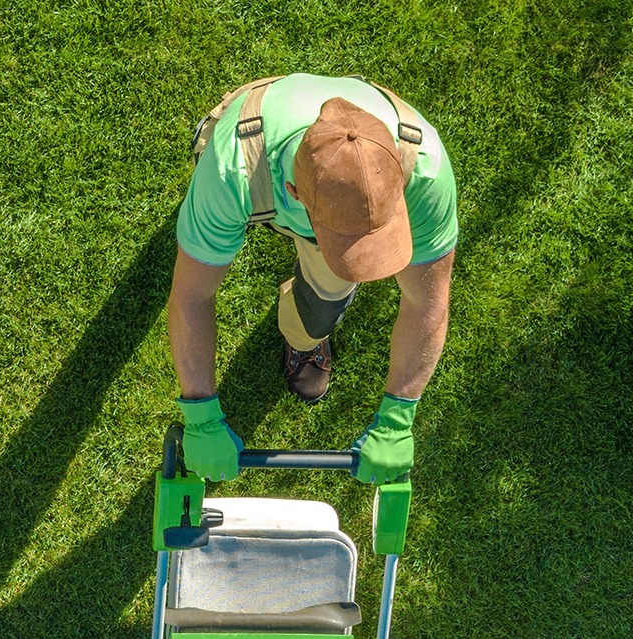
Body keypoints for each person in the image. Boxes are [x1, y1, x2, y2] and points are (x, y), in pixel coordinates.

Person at [167, 74, 456, 483]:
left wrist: (398, 417)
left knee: (321, 310)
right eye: (349, 240)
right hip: (254, 162)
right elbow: (192, 296)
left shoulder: (424, 170)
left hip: (292, 192)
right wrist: (201, 417)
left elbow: (428, 303)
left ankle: (304, 339)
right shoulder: (233, 169)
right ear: (294, 193)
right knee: (205, 234)